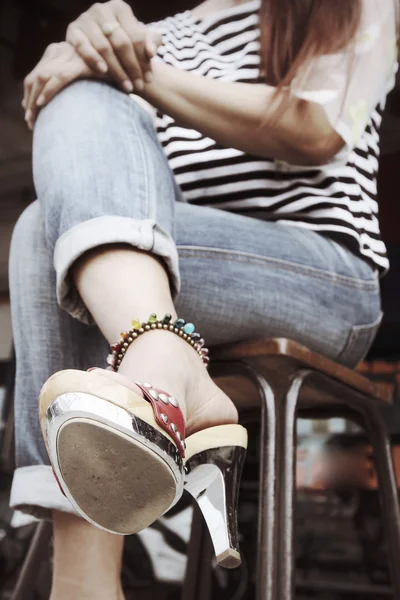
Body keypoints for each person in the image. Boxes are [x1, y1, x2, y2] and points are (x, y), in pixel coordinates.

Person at [9, 0, 398, 598]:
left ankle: (83, 583)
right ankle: (165, 360)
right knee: (63, 209)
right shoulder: (152, 36)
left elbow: (315, 129)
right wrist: (90, 56)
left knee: (56, 236)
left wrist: (133, 71)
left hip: (320, 277)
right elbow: (96, 177)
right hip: (176, 283)